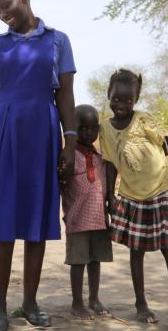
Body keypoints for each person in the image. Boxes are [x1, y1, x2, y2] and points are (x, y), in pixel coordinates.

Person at [0, 0, 77, 329]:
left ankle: (30, 302)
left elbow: (66, 95)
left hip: (42, 134)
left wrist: (69, 142)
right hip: (3, 135)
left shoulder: (58, 40)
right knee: (4, 222)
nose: (3, 14)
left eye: (6, 5)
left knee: (37, 222)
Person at [100, 69, 168, 331]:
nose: (121, 105)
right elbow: (109, 163)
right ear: (108, 94)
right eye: (116, 99)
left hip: (162, 192)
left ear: (136, 99)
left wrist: (156, 145)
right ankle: (141, 303)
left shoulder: (144, 119)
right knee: (136, 251)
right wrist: (109, 195)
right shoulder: (105, 129)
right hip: (132, 197)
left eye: (128, 101)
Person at [61, 104, 112, 320]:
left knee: (95, 260)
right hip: (78, 219)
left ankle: (94, 298)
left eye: (93, 129)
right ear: (73, 128)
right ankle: (77, 302)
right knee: (78, 262)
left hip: (100, 219)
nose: (88, 133)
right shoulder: (68, 156)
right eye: (82, 128)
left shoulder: (100, 156)